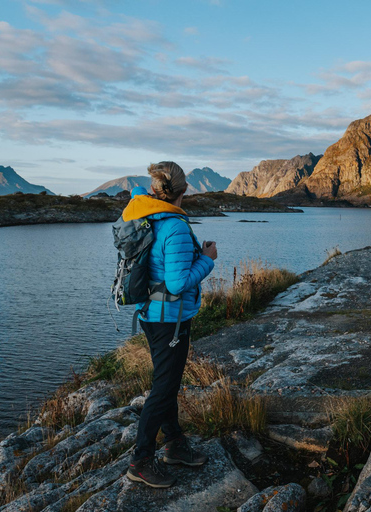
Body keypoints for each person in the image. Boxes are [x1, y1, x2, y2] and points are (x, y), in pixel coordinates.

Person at [121, 161, 218, 488]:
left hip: (153, 314)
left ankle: (174, 443)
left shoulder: (146, 213)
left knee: (168, 382)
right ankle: (141, 460)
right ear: (183, 190)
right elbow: (177, 284)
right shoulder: (174, 226)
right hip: (169, 320)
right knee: (163, 389)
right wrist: (207, 259)